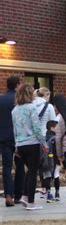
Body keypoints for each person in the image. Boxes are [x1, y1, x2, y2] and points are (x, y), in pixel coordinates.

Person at [11, 83, 47, 210]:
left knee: (29, 171)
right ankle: (31, 201)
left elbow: (15, 130)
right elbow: (37, 128)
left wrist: (16, 146)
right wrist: (44, 143)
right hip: (33, 143)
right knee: (33, 171)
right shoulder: (32, 108)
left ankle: (25, 196)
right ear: (29, 94)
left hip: (20, 145)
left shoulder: (14, 110)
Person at [0, 76, 24, 207]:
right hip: (19, 138)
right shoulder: (20, 100)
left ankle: (8, 194)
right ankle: (18, 195)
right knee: (20, 166)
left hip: (3, 137)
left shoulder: (1, 99)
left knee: (7, 166)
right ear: (17, 85)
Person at [33, 87, 56, 197]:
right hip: (45, 137)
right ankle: (47, 188)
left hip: (33, 138)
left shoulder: (31, 105)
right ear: (46, 94)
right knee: (47, 162)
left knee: (36, 163)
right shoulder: (49, 106)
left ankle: (41, 187)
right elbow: (53, 122)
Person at [43, 120, 61, 202]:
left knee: (47, 176)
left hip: (45, 161)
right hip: (55, 159)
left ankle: (49, 194)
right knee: (56, 175)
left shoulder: (43, 138)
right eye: (56, 127)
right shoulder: (55, 138)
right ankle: (57, 193)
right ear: (52, 128)